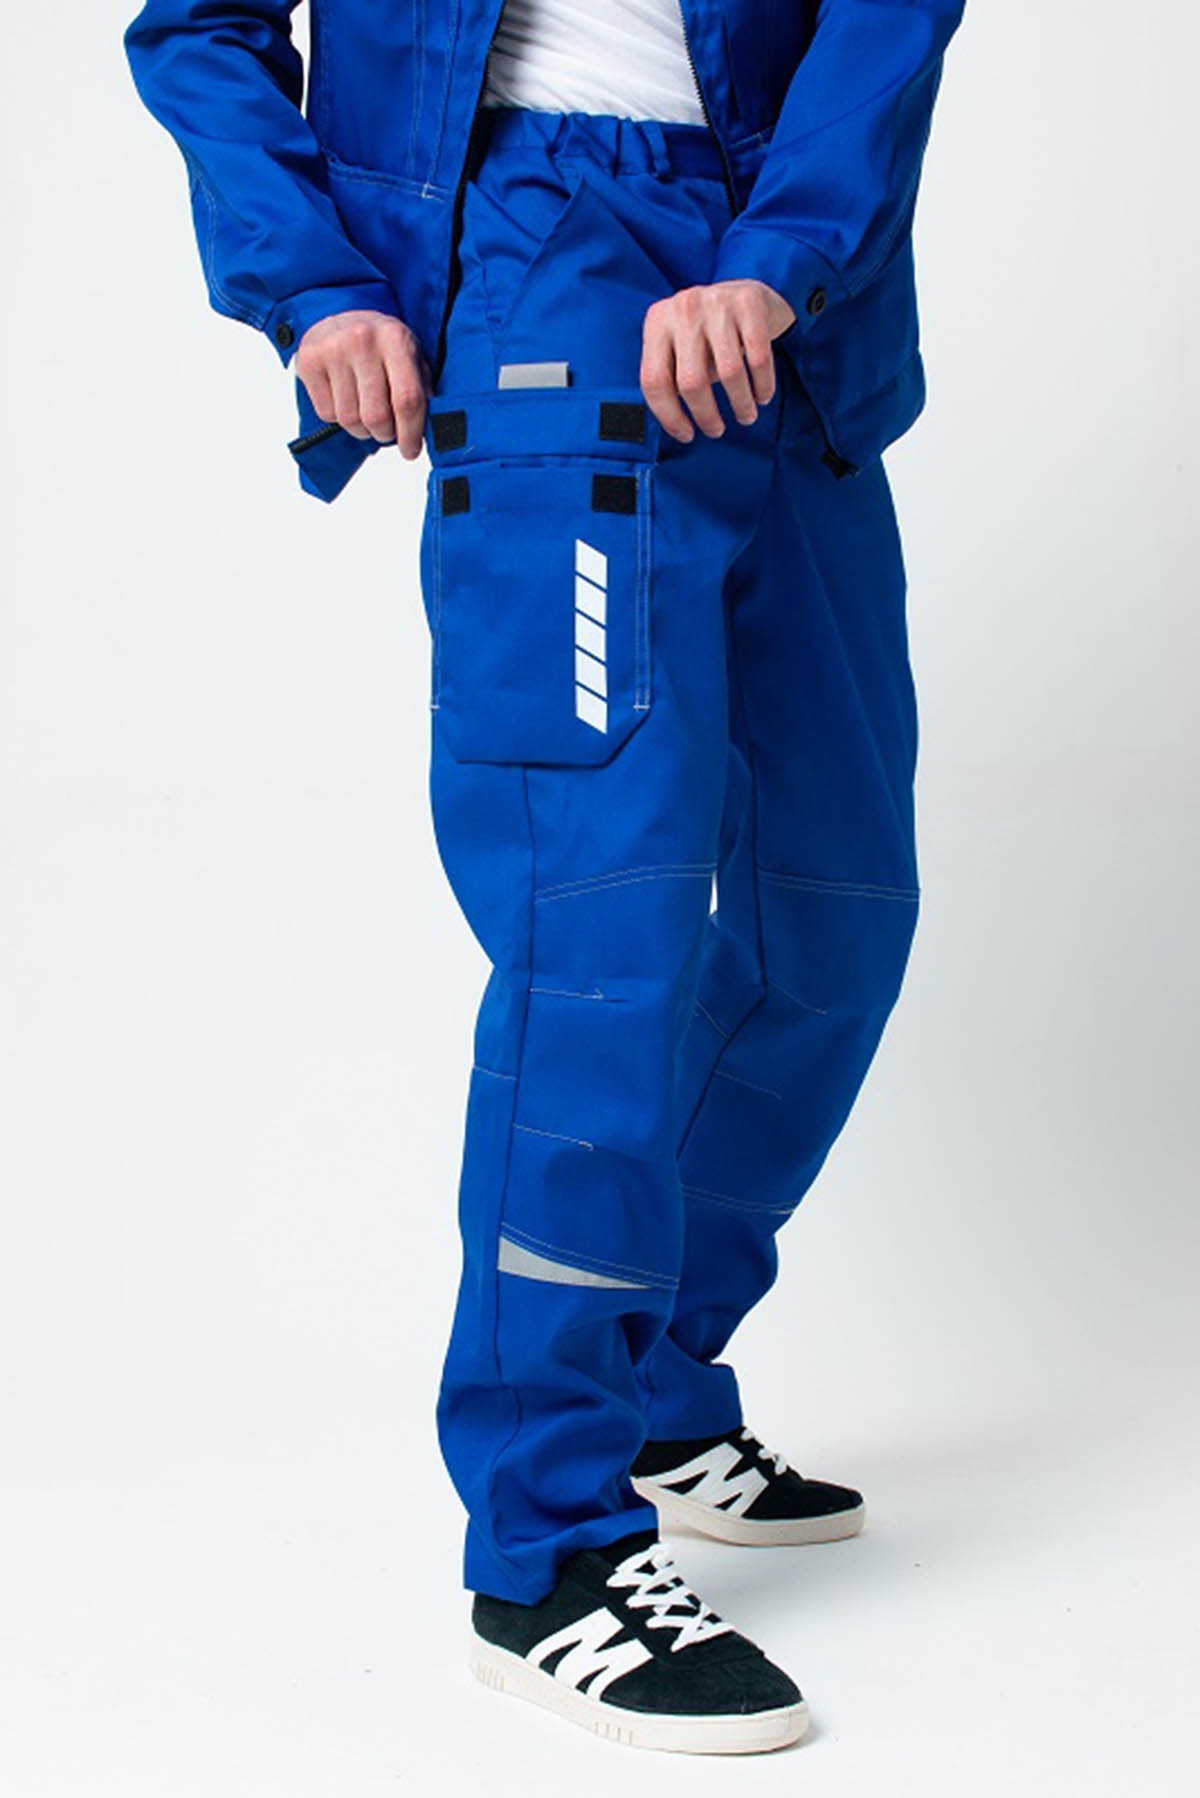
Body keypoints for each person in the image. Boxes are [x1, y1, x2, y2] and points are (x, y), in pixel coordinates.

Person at [124, 0, 966, 1757]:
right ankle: (549, 1544)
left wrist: (786, 252)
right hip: (549, 255)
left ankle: (654, 1376)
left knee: (835, 913)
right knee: (604, 939)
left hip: (785, 291)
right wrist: (316, 282)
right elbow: (195, 22)